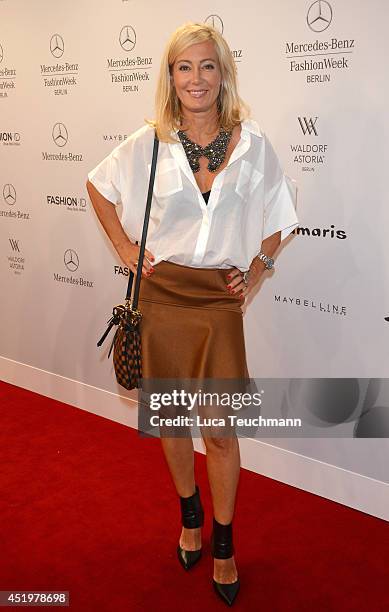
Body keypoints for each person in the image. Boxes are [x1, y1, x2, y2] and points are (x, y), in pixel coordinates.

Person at [86, 22, 298, 607]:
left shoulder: (252, 143)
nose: (196, 78)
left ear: (223, 74)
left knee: (222, 431)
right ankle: (190, 517)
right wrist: (128, 252)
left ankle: (225, 545)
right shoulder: (148, 142)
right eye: (184, 67)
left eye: (208, 66)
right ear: (171, 77)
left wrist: (258, 266)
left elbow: (283, 211)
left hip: (217, 305)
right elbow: (98, 187)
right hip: (161, 298)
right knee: (173, 422)